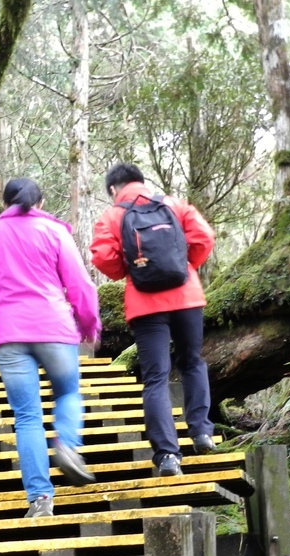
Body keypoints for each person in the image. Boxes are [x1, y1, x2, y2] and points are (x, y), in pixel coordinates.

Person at [0, 178, 102, 518]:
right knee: (67, 392)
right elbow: (80, 284)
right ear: (39, 202)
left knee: (27, 417)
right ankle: (67, 444)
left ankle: (40, 499)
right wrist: (89, 324)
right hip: (53, 328)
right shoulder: (54, 232)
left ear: (5, 203)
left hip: (9, 335)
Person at [89, 162, 217, 477]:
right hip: (186, 296)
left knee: (156, 377)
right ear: (142, 181)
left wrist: (130, 270)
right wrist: (186, 267)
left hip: (145, 304)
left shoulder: (112, 216)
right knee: (192, 362)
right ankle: (201, 431)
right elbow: (204, 237)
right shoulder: (173, 204)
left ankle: (168, 456)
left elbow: (103, 257)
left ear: (112, 189)